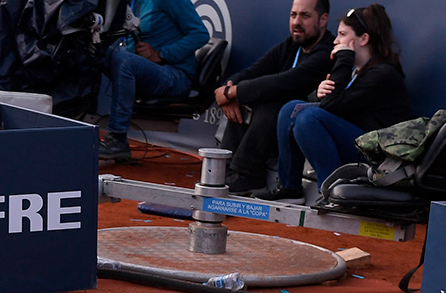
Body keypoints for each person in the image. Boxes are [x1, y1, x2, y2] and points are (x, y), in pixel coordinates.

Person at [255, 4, 412, 202]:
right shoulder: (358, 70)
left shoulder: (382, 74)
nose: (336, 41)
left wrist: (344, 58)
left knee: (308, 118)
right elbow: (328, 104)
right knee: (291, 109)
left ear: (363, 39)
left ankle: (329, 193)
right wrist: (317, 94)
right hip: (358, 142)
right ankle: (290, 187)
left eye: (342, 34)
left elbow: (331, 107)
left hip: (378, 158)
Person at [215, 0, 333, 195]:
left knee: (272, 102)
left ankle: (248, 175)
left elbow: (285, 82)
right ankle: (226, 169)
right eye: (293, 15)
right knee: (245, 98)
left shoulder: (327, 53)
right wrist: (229, 89)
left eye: (305, 16)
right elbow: (255, 71)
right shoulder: (292, 45)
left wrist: (233, 92)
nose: (296, 22)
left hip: (300, 136)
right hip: (271, 134)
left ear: (323, 19)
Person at [99, 0, 210, 162]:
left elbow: (200, 34)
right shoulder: (131, 2)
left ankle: (118, 138)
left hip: (175, 76)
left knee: (124, 60)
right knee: (95, 53)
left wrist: (161, 54)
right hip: (148, 75)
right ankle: (75, 120)